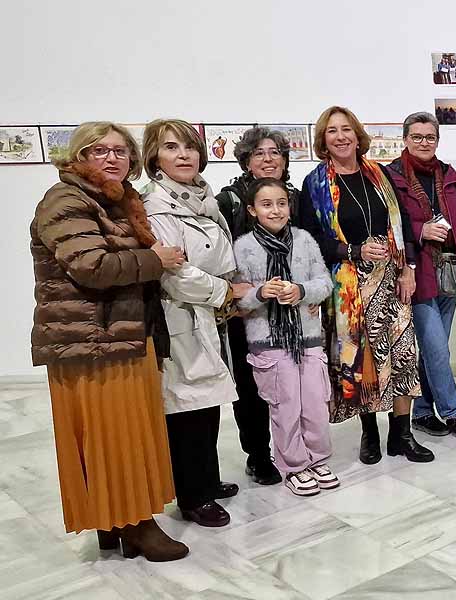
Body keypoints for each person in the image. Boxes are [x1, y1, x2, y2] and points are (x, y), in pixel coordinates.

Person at [31, 122, 189, 561]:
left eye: (120, 150)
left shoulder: (115, 199)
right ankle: (135, 524)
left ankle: (115, 519)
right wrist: (154, 259)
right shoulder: (65, 199)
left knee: (128, 432)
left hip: (122, 334)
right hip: (91, 340)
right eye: (98, 150)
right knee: (113, 435)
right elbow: (91, 266)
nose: (111, 158)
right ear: (78, 156)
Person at [297, 106, 432, 465]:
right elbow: (310, 240)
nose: (341, 137)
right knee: (362, 362)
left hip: (392, 280)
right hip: (350, 285)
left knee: (404, 356)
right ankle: (370, 434)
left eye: (346, 129)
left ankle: (402, 435)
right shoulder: (316, 183)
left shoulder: (381, 175)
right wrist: (352, 250)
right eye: (331, 131)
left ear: (358, 135)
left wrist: (409, 268)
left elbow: (401, 224)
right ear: (323, 140)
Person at [142, 118, 244, 528]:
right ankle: (192, 495)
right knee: (186, 405)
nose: (183, 155)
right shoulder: (156, 206)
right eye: (171, 148)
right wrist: (224, 292)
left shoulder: (203, 199)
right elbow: (173, 272)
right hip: (180, 315)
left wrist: (224, 290)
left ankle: (207, 477)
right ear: (155, 157)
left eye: (189, 147)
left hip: (207, 314)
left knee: (208, 402)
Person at [234, 177, 339, 496]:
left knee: (315, 403)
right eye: (266, 204)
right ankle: (294, 465)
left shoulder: (305, 240)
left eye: (281, 203)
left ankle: (318, 458)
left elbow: (324, 282)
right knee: (285, 405)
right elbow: (238, 299)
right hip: (269, 343)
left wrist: (302, 291)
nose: (275, 210)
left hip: (307, 339)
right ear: (252, 210)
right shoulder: (243, 247)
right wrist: (261, 292)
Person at [383, 112, 456, 439]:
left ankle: (422, 410)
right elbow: (391, 224)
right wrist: (422, 230)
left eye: (430, 137)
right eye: (418, 137)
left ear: (437, 140)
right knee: (437, 348)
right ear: (406, 139)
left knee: (434, 347)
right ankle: (453, 412)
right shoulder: (390, 176)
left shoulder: (449, 174)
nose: (424, 142)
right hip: (415, 271)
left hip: (449, 270)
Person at [215, 126, 298, 486]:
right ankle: (258, 455)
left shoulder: (296, 197)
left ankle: (290, 447)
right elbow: (216, 254)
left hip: (290, 306)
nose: (268, 158)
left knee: (289, 381)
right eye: (260, 153)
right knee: (250, 387)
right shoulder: (227, 201)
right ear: (246, 160)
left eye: (275, 152)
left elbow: (313, 247)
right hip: (247, 310)